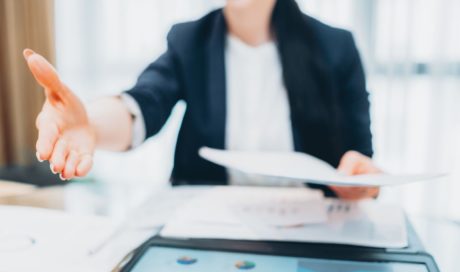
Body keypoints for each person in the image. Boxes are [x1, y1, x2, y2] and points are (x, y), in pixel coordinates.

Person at [23, 0, 380, 200]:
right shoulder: (189, 40)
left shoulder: (337, 47)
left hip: (316, 233)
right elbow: (143, 104)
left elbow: (361, 162)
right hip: (212, 232)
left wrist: (360, 186)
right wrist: (90, 124)